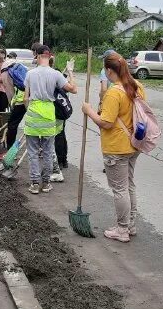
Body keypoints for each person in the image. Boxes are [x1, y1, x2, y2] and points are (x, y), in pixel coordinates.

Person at [81, 53, 145, 243]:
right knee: (129, 185)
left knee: (120, 189)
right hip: (134, 144)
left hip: (116, 147)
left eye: (105, 70)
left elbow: (106, 123)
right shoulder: (137, 87)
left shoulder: (114, 92)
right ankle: (131, 224)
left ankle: (122, 229)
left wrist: (88, 111)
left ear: (109, 70)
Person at [24, 44, 77, 194]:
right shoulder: (55, 74)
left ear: (38, 56)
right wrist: (71, 72)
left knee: (33, 152)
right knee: (47, 152)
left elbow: (25, 98)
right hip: (49, 116)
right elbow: (73, 89)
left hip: (33, 116)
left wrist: (30, 111)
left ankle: (34, 184)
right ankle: (46, 183)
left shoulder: (30, 74)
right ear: (49, 57)